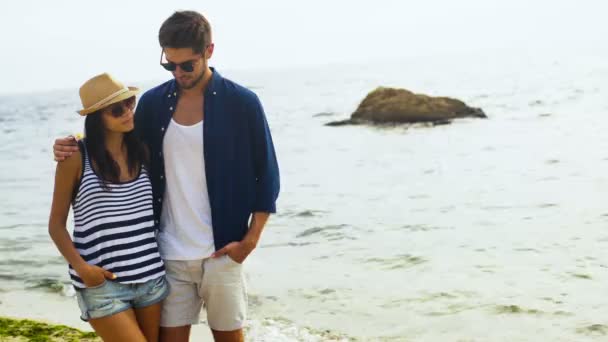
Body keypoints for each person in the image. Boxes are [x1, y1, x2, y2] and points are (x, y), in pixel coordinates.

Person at [53, 11, 280, 342]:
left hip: (222, 251)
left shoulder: (242, 103)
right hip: (167, 255)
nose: (178, 73)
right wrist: (73, 142)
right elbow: (116, 133)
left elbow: (268, 175)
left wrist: (250, 240)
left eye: (186, 65)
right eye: (169, 65)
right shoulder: (154, 103)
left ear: (209, 51)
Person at [48, 73, 169, 342]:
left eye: (130, 103)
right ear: (97, 118)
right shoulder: (75, 157)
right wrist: (82, 268)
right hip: (103, 286)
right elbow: (56, 225)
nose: (128, 112)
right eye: (117, 109)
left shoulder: (143, 151)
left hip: (150, 277)